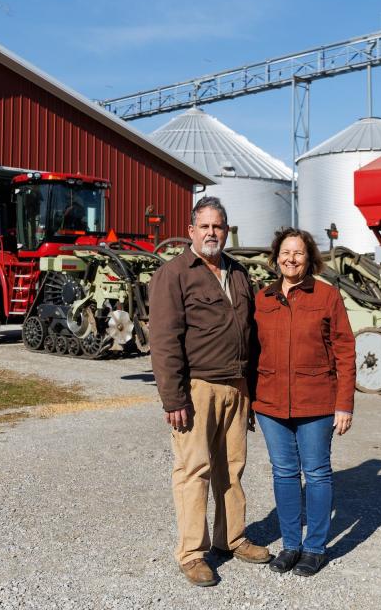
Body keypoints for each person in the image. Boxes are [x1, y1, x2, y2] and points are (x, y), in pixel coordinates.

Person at [148, 196, 272, 587]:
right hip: (198, 387)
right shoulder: (175, 273)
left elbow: (250, 334)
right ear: (191, 231)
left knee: (232, 469)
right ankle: (191, 553)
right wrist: (173, 398)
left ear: (227, 230)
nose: (212, 233)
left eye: (218, 226)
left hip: (236, 386)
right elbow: (165, 340)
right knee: (194, 470)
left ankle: (231, 538)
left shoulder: (236, 273)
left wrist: (251, 389)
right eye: (204, 226)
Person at [252, 227, 356, 577]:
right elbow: (252, 352)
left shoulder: (327, 297)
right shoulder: (263, 298)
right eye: (285, 252)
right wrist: (251, 401)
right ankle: (291, 545)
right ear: (275, 257)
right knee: (283, 473)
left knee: (316, 472)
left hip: (317, 403)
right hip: (271, 404)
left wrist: (344, 404)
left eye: (298, 253)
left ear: (309, 258)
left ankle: (314, 548)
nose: (290, 258)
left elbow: (345, 351)